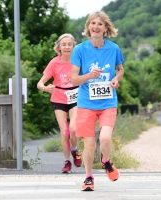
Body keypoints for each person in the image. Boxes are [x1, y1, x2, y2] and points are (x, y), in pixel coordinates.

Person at [70, 10, 125, 191]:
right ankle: (88, 177)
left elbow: (121, 69)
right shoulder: (79, 50)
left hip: (108, 102)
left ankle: (106, 161)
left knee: (106, 138)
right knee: (90, 145)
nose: (96, 26)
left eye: (100, 24)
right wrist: (89, 75)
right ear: (88, 27)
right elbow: (74, 79)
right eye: (93, 23)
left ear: (105, 28)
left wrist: (116, 79)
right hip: (86, 103)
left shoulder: (113, 48)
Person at [37, 33, 82, 174]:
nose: (67, 47)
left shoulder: (78, 60)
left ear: (73, 47)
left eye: (69, 44)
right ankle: (67, 161)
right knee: (65, 132)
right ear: (59, 48)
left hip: (75, 96)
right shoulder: (54, 63)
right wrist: (45, 88)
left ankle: (74, 150)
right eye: (64, 44)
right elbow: (40, 83)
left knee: (74, 129)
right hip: (58, 97)